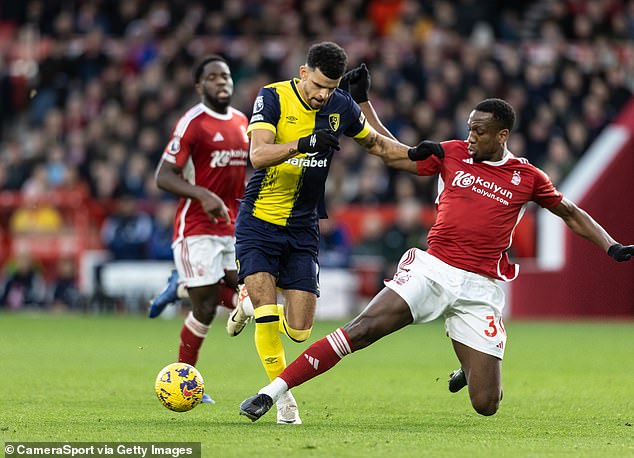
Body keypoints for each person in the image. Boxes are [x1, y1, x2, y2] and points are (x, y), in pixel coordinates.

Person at [238, 87, 634, 422]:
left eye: (479, 131)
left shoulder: (528, 177)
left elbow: (571, 213)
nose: (471, 136)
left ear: (503, 135)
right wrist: (364, 104)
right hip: (434, 269)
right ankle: (271, 393)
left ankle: (469, 362)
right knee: (362, 330)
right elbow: (394, 153)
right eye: (469, 129)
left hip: (482, 287)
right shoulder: (453, 153)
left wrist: (611, 245)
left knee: (486, 405)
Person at [233, 42, 423, 424]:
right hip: (259, 220)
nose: (323, 95)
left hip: (303, 226)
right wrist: (302, 144)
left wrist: (428, 157)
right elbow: (257, 154)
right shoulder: (273, 96)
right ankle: (284, 403)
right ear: (303, 72)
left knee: (300, 332)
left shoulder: (341, 105)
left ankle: (250, 302)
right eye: (318, 85)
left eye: (330, 88)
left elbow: (382, 148)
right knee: (271, 317)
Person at [147, 55, 250, 403]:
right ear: (199, 85)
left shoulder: (241, 122)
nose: (222, 82)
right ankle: (185, 379)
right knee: (206, 308)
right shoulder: (192, 123)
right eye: (213, 77)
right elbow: (163, 176)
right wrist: (203, 194)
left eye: (227, 76)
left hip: (232, 225)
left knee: (247, 292)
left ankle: (180, 285)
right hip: (196, 227)